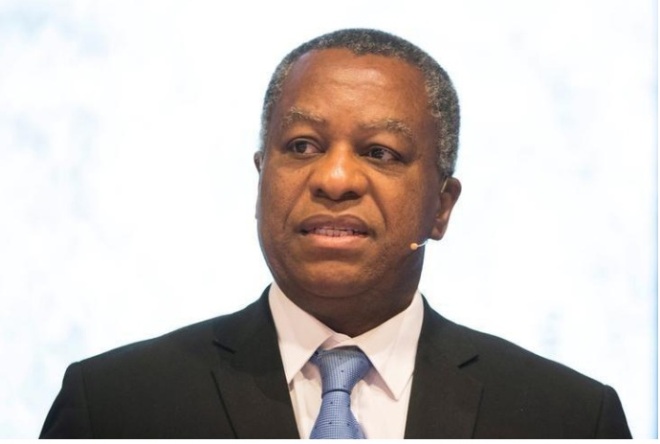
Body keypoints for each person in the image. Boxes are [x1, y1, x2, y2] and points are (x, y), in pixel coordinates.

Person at [40, 28, 631, 439]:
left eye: (380, 152)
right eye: (302, 146)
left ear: (441, 207)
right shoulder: (113, 405)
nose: (335, 178)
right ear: (260, 179)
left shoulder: (568, 418)